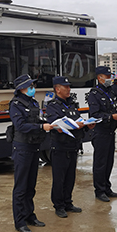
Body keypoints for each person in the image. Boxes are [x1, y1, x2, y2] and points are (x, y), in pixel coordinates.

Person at [9, 74, 54, 232]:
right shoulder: (15, 104)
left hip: (34, 146)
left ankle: (30, 215)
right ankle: (19, 221)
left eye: (33, 86)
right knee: (21, 187)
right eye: (30, 86)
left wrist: (49, 124)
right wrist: (41, 127)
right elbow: (20, 125)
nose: (32, 88)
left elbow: (38, 119)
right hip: (22, 148)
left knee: (31, 185)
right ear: (21, 88)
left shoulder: (33, 102)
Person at [45, 76, 94, 218]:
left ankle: (68, 202)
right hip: (60, 146)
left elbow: (78, 120)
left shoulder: (72, 104)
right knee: (59, 178)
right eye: (65, 87)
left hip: (73, 146)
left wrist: (86, 125)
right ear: (57, 89)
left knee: (70, 177)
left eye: (69, 86)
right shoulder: (52, 106)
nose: (68, 89)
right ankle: (59, 205)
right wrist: (74, 125)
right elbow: (56, 125)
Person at [87, 66, 117, 202]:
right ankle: (99, 190)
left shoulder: (111, 92)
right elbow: (95, 115)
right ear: (100, 78)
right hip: (100, 132)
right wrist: (111, 117)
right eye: (107, 76)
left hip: (110, 131)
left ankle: (107, 187)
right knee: (100, 162)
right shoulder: (94, 94)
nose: (109, 79)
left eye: (110, 76)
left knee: (109, 162)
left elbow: (115, 107)